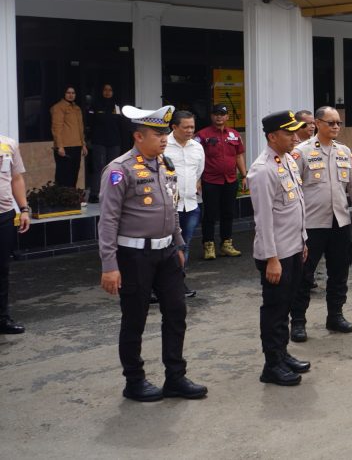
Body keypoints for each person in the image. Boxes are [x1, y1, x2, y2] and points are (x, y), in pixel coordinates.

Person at [97, 105, 207, 402]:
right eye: (157, 134)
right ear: (138, 136)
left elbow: (171, 207)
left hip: (167, 253)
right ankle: (134, 381)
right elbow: (107, 220)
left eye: (163, 133)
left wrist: (179, 243)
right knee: (135, 319)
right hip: (134, 257)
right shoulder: (119, 170)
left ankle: (176, 377)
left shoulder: (165, 164)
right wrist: (109, 265)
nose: (163, 139)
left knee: (176, 313)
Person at [289, 106, 352, 342]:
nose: (335, 127)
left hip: (340, 221)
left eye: (338, 123)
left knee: (339, 271)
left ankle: (335, 315)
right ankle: (298, 322)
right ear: (317, 123)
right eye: (330, 122)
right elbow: (294, 188)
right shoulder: (301, 152)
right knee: (304, 275)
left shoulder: (344, 151)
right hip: (311, 224)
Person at [249, 110, 310, 386]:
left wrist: (303, 240)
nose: (295, 138)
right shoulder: (263, 170)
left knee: (285, 307)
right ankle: (271, 365)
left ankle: (282, 354)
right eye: (289, 133)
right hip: (276, 255)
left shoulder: (287, 161)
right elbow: (263, 220)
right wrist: (272, 258)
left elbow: (297, 205)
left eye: (296, 132)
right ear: (272, 136)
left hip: (293, 248)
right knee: (274, 311)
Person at [196, 104, 246, 260]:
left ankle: (226, 244)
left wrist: (244, 176)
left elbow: (238, 156)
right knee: (210, 214)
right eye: (216, 114)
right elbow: (196, 158)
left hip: (230, 180)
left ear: (227, 117)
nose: (219, 117)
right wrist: (197, 179)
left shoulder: (234, 135)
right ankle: (208, 245)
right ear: (211, 116)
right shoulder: (202, 135)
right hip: (210, 180)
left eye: (222, 114)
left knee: (228, 213)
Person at [164, 110, 204, 298]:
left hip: (190, 205)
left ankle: (178, 283)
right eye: (186, 127)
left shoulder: (197, 147)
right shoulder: (163, 145)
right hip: (168, 207)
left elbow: (198, 173)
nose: (190, 131)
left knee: (184, 246)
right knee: (164, 248)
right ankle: (160, 285)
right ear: (174, 127)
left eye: (192, 127)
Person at [0, 134, 31, 335]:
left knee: (2, 269)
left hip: (4, 216)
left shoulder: (8, 144)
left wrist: (24, 209)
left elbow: (16, 178)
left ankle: (2, 318)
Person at [86, 83, 124, 202]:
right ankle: (94, 194)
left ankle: (114, 194)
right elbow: (90, 122)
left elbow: (121, 124)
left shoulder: (117, 106)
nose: (108, 92)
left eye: (110, 90)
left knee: (114, 169)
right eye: (105, 90)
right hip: (99, 142)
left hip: (114, 142)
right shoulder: (95, 105)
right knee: (99, 168)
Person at [50, 86, 87, 188]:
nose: (71, 95)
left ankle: (71, 198)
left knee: (74, 174)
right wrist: (60, 146)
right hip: (65, 146)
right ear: (64, 94)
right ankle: (61, 200)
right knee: (63, 175)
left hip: (76, 145)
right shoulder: (58, 107)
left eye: (73, 93)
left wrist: (83, 144)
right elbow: (56, 128)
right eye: (68, 93)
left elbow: (80, 128)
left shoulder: (76, 108)